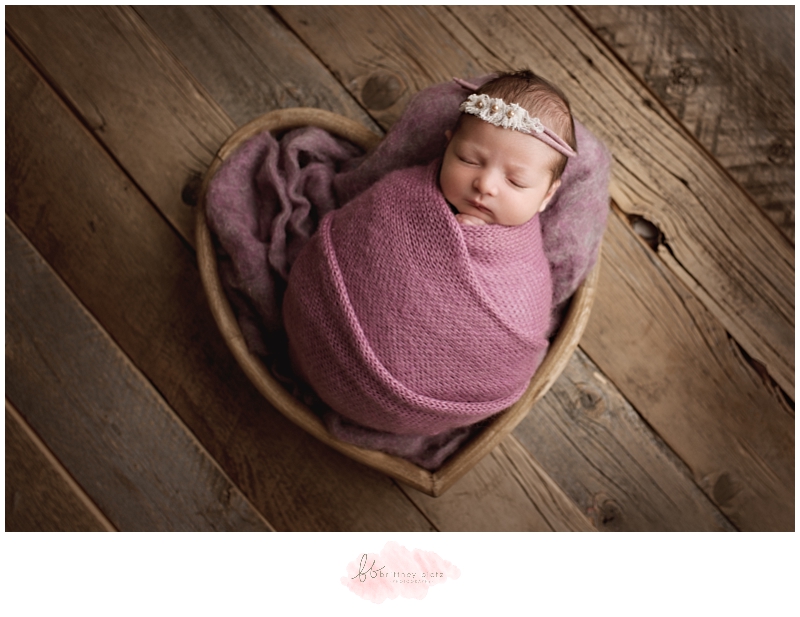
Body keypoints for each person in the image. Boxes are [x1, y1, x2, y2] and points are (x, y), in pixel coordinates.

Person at [440, 70, 577, 227]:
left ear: (548, 195)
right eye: (468, 160)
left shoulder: (525, 246)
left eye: (516, 181)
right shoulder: (409, 193)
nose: (485, 185)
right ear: (447, 146)